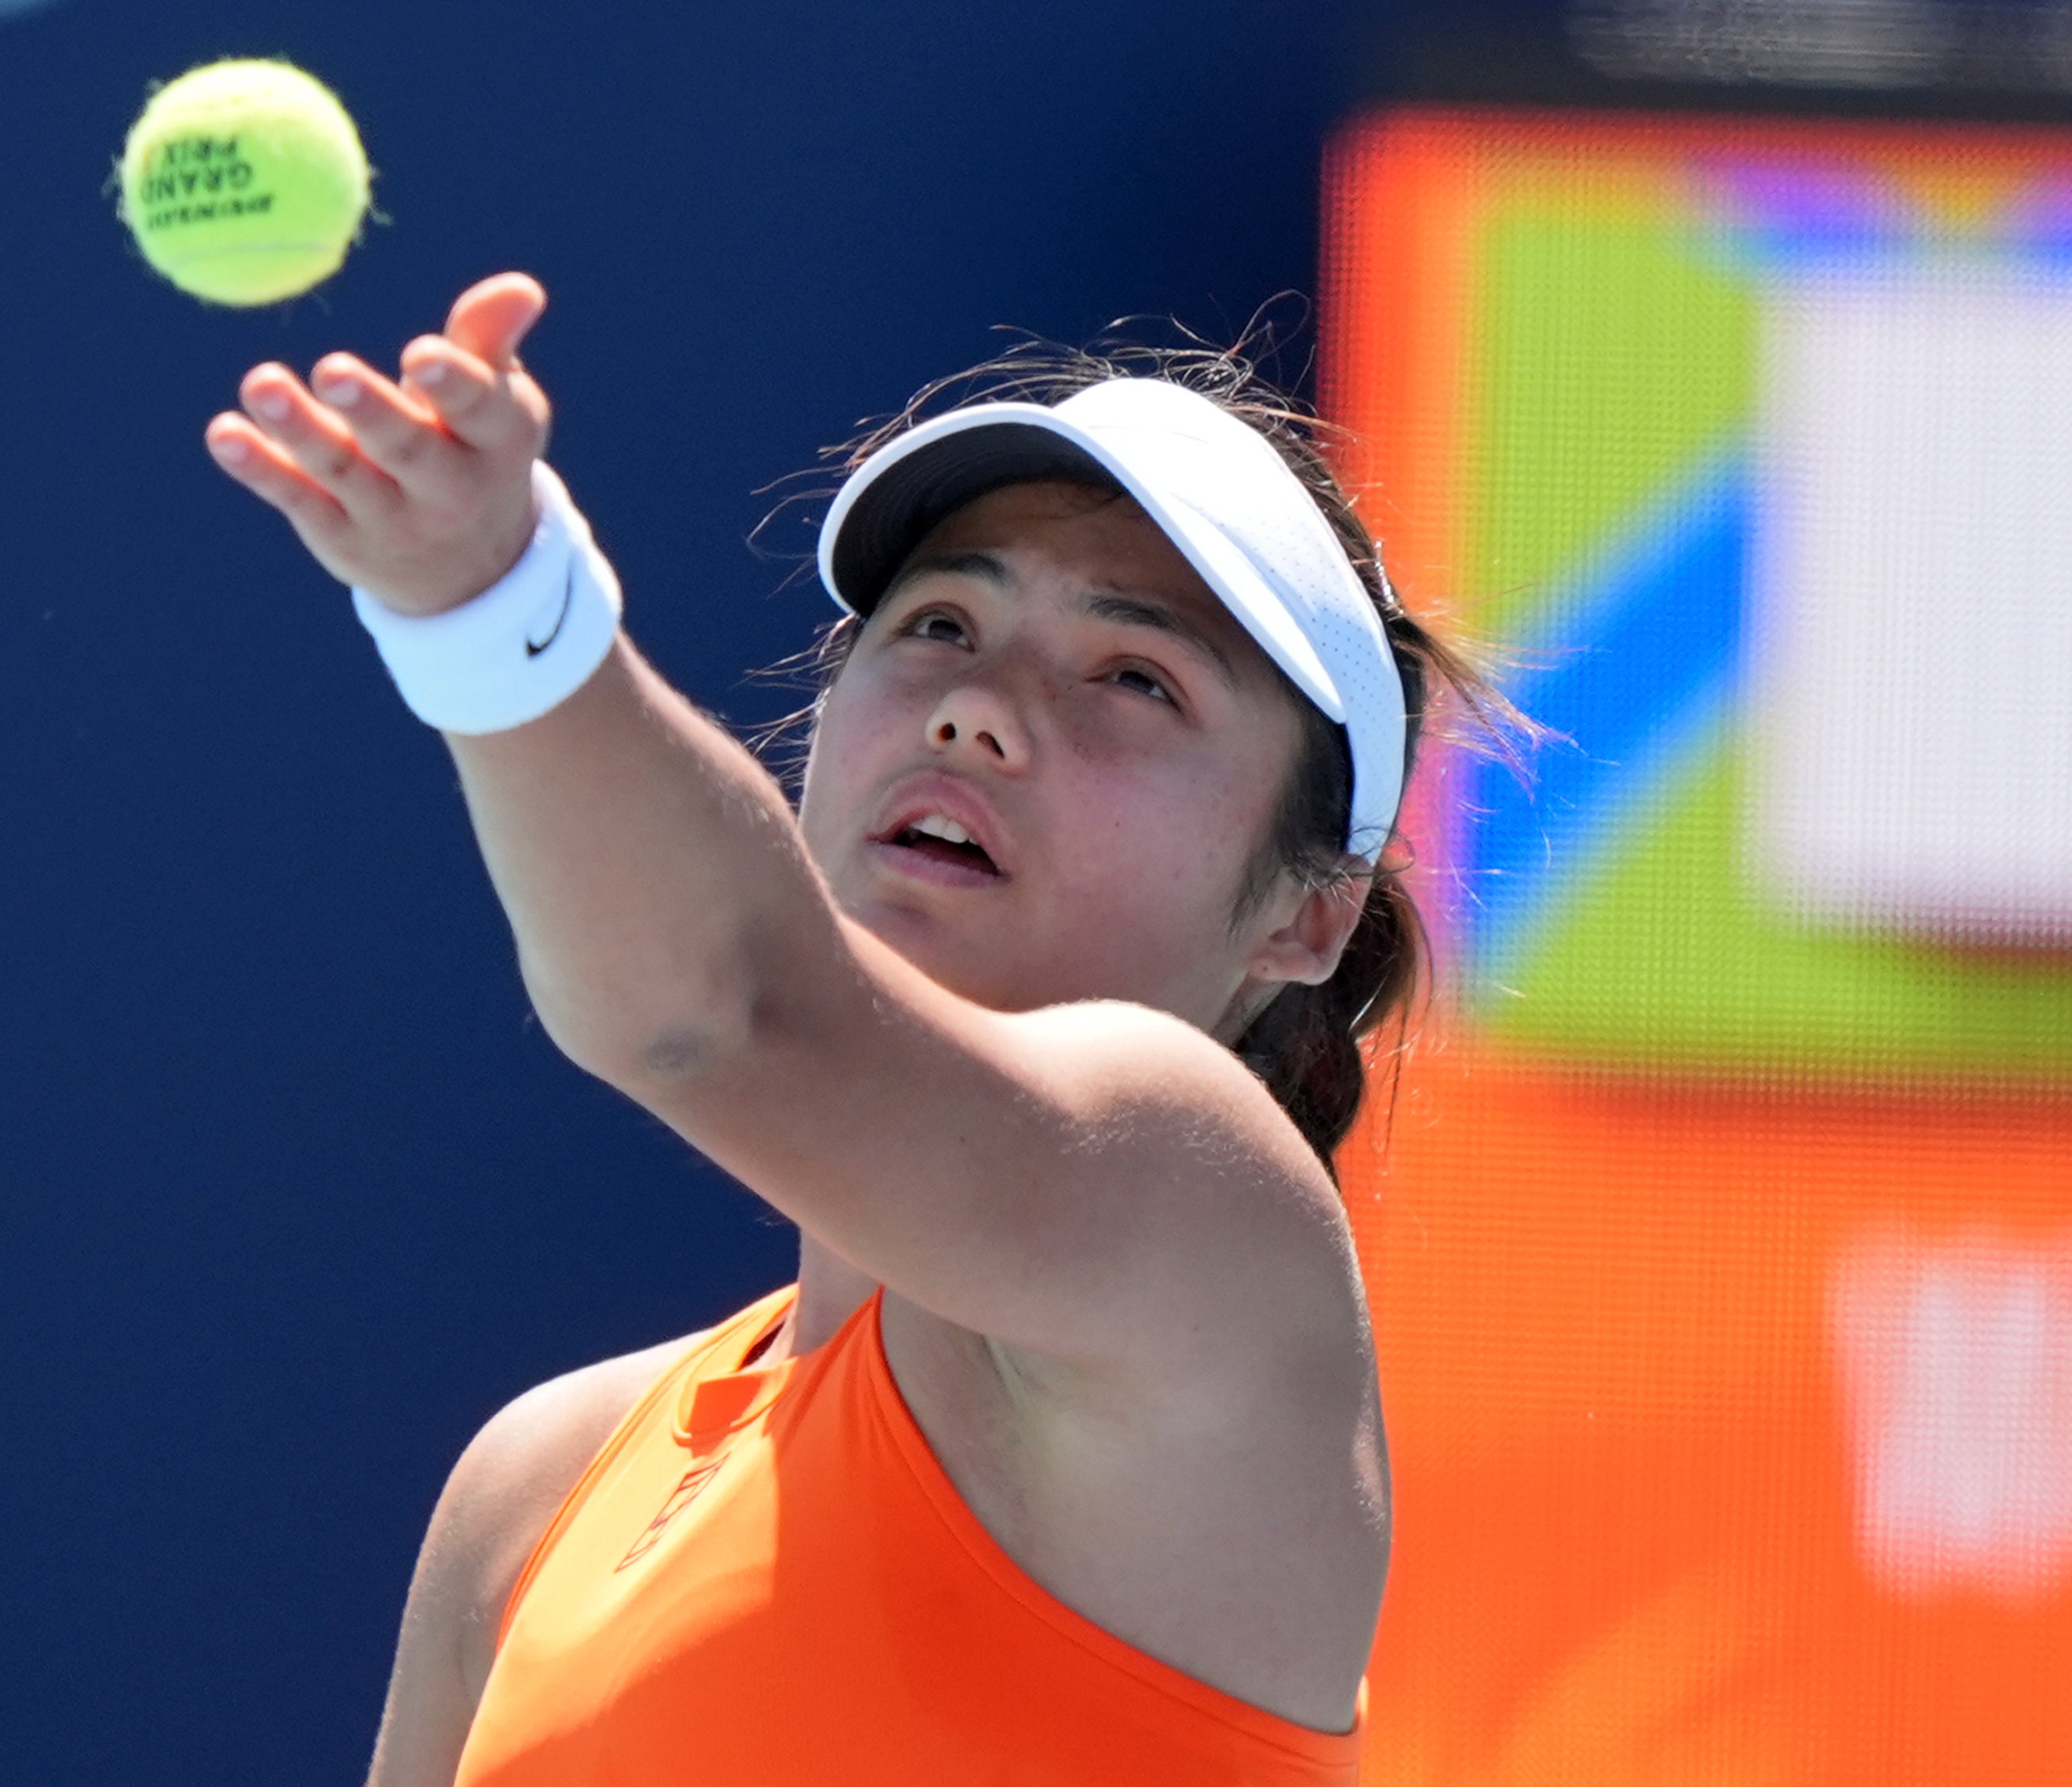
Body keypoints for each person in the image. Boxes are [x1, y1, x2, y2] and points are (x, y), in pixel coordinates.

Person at [206, 272, 1501, 1785]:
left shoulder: (1211, 1234)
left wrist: (498, 608)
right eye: (942, 622)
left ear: (1307, 919)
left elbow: (721, 1011)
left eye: (1135, 678)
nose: (977, 708)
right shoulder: (533, 1484)